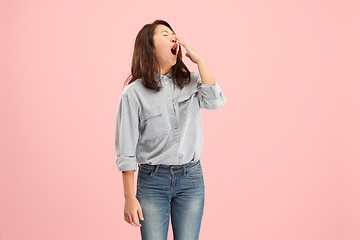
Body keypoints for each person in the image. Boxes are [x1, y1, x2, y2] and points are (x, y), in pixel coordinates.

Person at [115, 19, 227, 240]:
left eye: (173, 34)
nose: (173, 37)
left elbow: (216, 102)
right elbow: (126, 148)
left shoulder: (192, 82)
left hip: (191, 178)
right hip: (152, 181)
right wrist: (129, 196)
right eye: (165, 34)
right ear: (150, 47)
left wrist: (200, 61)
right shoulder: (132, 94)